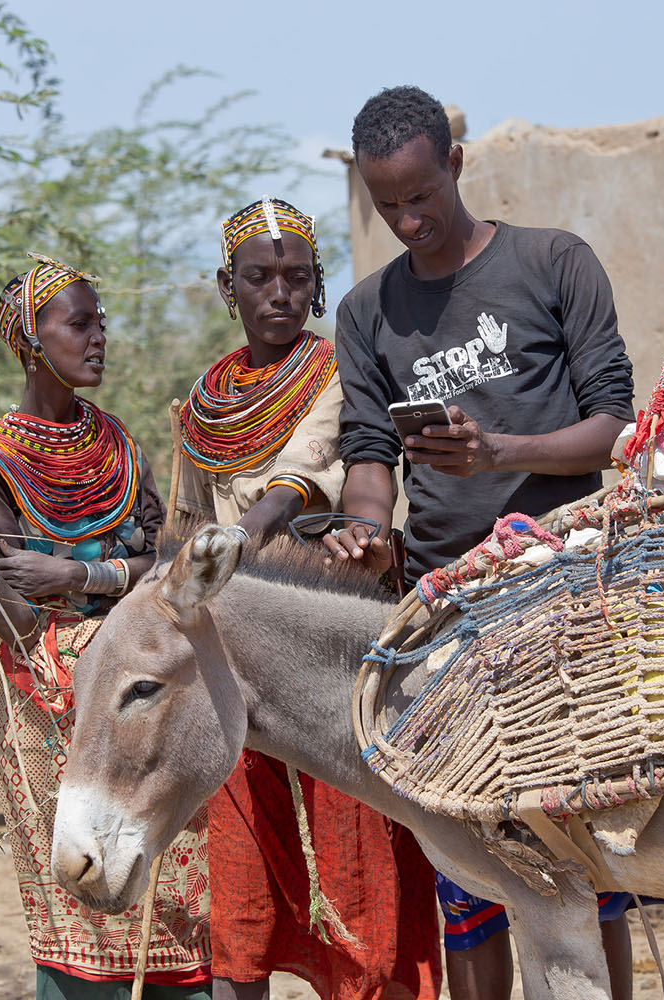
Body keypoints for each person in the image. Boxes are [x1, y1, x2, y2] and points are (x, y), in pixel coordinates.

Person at [324, 86, 643, 1000]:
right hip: (444, 604)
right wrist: (363, 524)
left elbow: (614, 426)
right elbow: (370, 454)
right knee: (463, 853)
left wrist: (497, 451)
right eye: (387, 205)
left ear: (456, 164)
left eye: (421, 195)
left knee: (575, 847)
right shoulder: (367, 311)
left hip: (564, 586)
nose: (408, 219)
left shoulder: (554, 262)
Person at [0, 255, 210, 1000]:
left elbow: (163, 564)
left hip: (144, 696)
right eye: (80, 323)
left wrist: (81, 577)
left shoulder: (119, 444)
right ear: (32, 341)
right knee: (81, 902)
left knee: (178, 900)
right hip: (47, 712)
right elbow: (15, 619)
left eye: (100, 321)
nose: (98, 337)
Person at [171, 198, 442, 1000]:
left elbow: (306, 476)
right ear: (231, 286)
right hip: (234, 650)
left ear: (319, 287)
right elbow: (187, 523)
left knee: (356, 852)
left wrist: (242, 537)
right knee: (245, 865)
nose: (279, 293)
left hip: (325, 645)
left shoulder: (339, 373)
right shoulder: (203, 405)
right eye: (259, 277)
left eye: (297, 277)